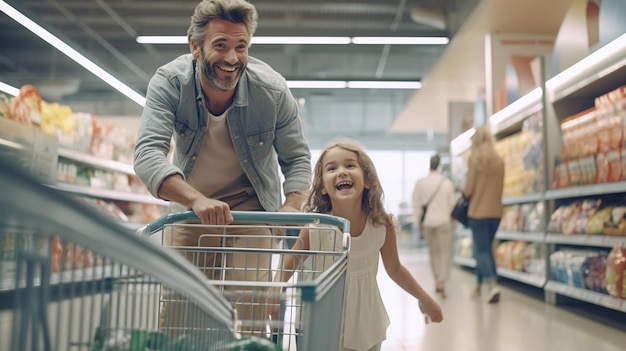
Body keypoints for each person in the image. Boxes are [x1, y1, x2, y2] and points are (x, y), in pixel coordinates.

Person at [133, 0, 312, 335]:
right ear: (195, 48)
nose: (232, 58)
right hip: (192, 208)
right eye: (220, 45)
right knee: (179, 314)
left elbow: (298, 159)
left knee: (252, 310)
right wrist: (196, 200)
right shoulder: (170, 83)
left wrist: (289, 206)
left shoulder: (272, 92)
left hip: (252, 210)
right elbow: (147, 155)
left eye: (241, 47)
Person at [274, 139, 443, 351]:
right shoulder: (316, 229)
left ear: (367, 181)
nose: (342, 172)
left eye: (350, 165)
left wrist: (424, 298)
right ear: (323, 187)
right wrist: (273, 293)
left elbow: (395, 269)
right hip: (319, 327)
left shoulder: (382, 226)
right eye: (332, 168)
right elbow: (286, 266)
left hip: (367, 325)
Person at [463, 125, 504, 303]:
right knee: (485, 249)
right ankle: (479, 286)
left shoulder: (474, 160)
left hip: (478, 212)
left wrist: (465, 194)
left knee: (481, 250)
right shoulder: (499, 160)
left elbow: (469, 189)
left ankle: (492, 285)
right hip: (495, 212)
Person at [412, 154, 455, 298]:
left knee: (433, 252)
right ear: (440, 165)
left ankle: (437, 280)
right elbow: (452, 205)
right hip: (444, 221)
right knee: (444, 253)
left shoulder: (420, 182)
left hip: (428, 223)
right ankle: (442, 281)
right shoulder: (446, 183)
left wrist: (418, 219)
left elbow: (416, 203)